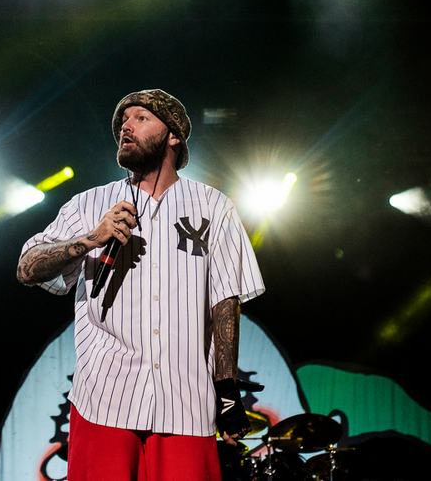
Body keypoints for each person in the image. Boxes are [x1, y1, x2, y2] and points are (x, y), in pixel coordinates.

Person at [17, 89, 265, 481]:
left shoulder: (214, 206)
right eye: (122, 121)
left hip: (186, 403)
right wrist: (89, 240)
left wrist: (228, 389)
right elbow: (27, 267)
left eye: (140, 118)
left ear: (173, 136)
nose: (125, 126)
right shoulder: (89, 204)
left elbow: (225, 302)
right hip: (104, 400)